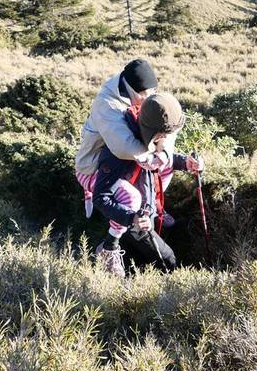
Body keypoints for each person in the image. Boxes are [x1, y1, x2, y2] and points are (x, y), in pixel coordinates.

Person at [91, 92, 203, 277]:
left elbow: (159, 161)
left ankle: (114, 259)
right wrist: (132, 218)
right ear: (155, 135)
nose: (166, 141)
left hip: (146, 211)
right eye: (164, 136)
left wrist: (185, 163)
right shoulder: (119, 149)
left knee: (141, 260)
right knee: (167, 261)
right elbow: (100, 197)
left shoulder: (142, 137)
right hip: (134, 221)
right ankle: (109, 254)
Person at [75, 59, 177, 224]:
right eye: (144, 94)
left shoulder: (144, 93)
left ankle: (155, 207)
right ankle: (112, 241)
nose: (149, 98)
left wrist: (163, 151)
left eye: (153, 92)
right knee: (131, 199)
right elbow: (124, 146)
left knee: (165, 166)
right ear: (132, 90)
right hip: (94, 167)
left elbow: (171, 120)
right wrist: (151, 158)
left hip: (126, 164)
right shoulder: (107, 104)